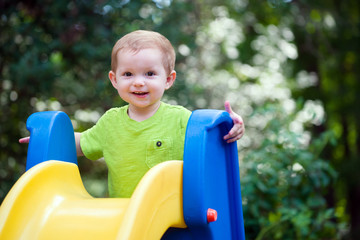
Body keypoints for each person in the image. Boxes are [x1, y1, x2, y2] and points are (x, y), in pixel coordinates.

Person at [20, 30, 245, 198]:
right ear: (114, 79)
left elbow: (212, 141)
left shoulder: (181, 119)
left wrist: (232, 127)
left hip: (171, 215)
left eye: (149, 73)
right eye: (128, 74)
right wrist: (47, 139)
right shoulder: (110, 122)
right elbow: (81, 144)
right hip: (125, 216)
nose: (138, 82)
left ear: (168, 80)